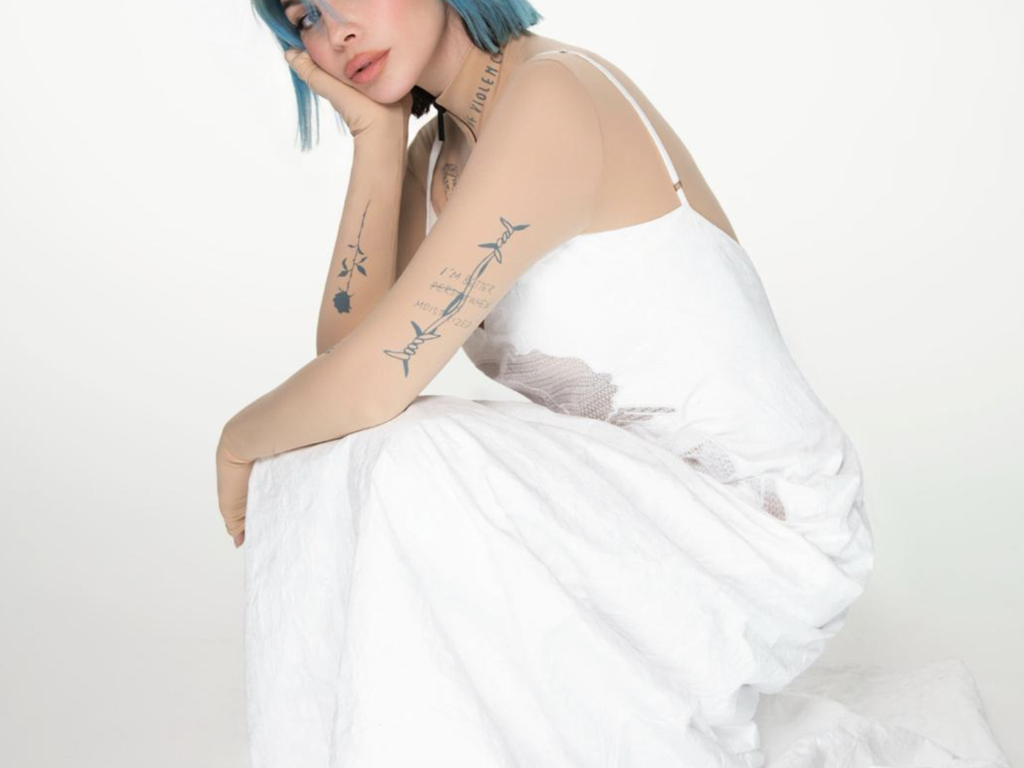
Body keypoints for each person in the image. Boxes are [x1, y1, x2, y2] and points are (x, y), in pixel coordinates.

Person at [219, 0, 875, 765]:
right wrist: (377, 141)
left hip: (768, 530)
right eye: (305, 17)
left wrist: (237, 444)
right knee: (333, 450)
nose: (336, 33)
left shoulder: (552, 96)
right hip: (639, 508)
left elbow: (363, 388)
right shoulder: (438, 152)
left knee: (412, 457)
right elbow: (341, 372)